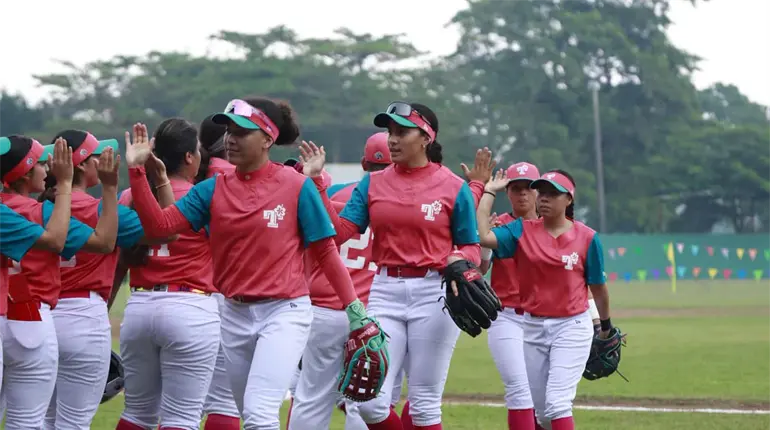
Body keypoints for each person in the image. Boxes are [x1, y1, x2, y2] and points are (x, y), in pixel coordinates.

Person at [122, 97, 378, 430]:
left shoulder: (296, 185)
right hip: (233, 313)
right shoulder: (212, 189)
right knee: (249, 414)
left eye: (242, 132)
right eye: (229, 131)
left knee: (259, 414)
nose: (231, 138)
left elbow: (326, 251)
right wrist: (137, 171)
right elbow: (160, 228)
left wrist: (355, 311)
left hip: (284, 311)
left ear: (268, 139)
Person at [300, 101, 481, 430]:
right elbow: (340, 232)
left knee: (424, 405)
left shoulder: (454, 186)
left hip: (434, 292)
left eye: (402, 132)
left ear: (426, 138)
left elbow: (471, 245)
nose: (393, 139)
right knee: (368, 402)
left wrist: (461, 259)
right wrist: (317, 185)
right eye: (390, 132)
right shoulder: (373, 183)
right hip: (384, 290)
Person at [41, 128, 160, 430]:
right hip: (83, 317)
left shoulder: (37, 208)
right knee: (74, 422)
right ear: (81, 164)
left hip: (41, 316)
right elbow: (164, 230)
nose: (103, 159)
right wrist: (157, 178)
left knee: (42, 419)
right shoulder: (104, 210)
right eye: (96, 155)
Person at [477, 169, 613, 430]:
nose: (544, 198)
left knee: (558, 404)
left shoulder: (587, 237)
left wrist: (605, 325)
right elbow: (484, 237)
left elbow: (598, 288)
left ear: (569, 199)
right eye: (542, 193)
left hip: (571, 326)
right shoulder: (521, 230)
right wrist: (489, 192)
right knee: (543, 414)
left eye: (553, 193)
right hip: (533, 327)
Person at [0, 134, 119, 429]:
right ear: (24, 173)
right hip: (34, 319)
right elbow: (103, 242)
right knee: (31, 421)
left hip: (10, 313)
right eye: (40, 164)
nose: (47, 168)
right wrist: (73, 186)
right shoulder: (43, 212)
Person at [114, 118, 222, 430]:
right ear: (189, 157)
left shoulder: (130, 196)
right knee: (181, 417)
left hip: (139, 306)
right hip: (190, 306)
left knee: (136, 413)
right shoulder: (204, 196)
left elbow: (120, 261)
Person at [287, 132, 392, 430]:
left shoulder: (333, 193)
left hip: (322, 307)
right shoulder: (396, 202)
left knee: (311, 397)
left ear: (363, 164)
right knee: (362, 401)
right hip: (370, 311)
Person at [477, 161, 540, 429]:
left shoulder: (552, 225)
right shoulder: (498, 225)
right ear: (508, 192)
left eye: (528, 188)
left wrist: (595, 321)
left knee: (544, 395)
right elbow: (480, 269)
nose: (522, 193)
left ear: (538, 191)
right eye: (516, 188)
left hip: (545, 319)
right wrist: (486, 245)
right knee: (519, 388)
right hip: (507, 317)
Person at [195, 114, 242, 430]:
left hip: (179, 295)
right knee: (225, 402)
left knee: (173, 408)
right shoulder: (235, 179)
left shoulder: (180, 179)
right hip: (227, 295)